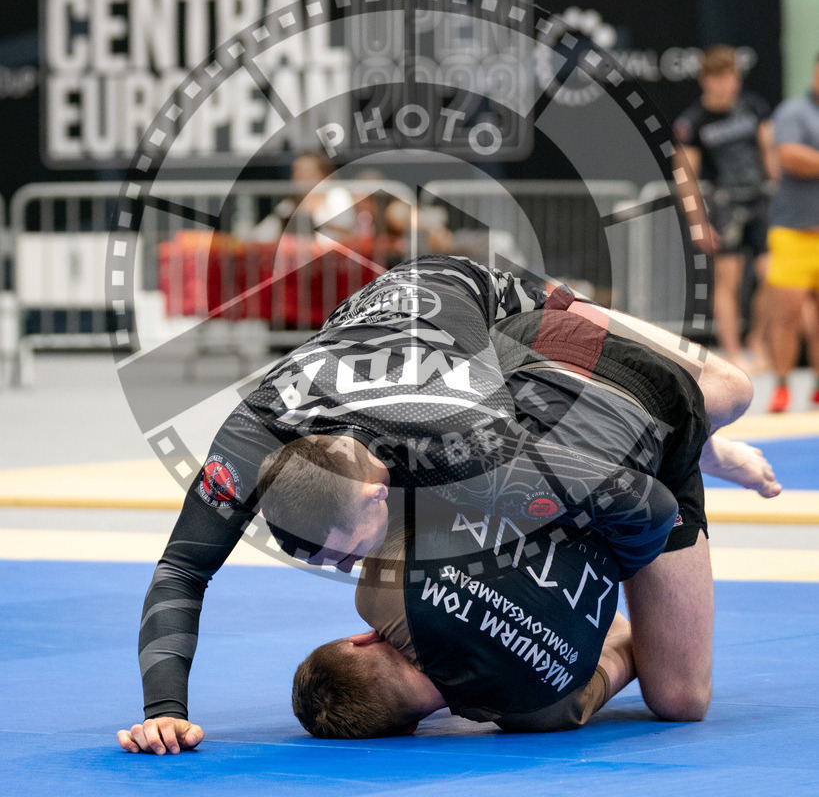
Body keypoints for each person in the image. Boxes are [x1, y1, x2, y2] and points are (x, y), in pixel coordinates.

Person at [118, 256, 776, 753]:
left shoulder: (467, 442)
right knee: (679, 697)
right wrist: (162, 708)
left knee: (729, 388)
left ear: (379, 493)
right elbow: (182, 569)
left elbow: (640, 501)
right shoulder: (250, 433)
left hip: (501, 309)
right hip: (403, 352)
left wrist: (612, 567)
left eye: (351, 553)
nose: (356, 570)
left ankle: (709, 440)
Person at [290, 304, 780, 738]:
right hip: (547, 359)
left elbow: (632, 636)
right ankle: (680, 426)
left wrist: (604, 571)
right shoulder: (379, 589)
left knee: (679, 698)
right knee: (732, 391)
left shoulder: (545, 711)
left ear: (415, 725)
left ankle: (689, 437)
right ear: (363, 637)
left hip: (590, 407)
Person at [674, 45, 776, 370]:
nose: (725, 84)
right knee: (727, 280)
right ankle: (733, 354)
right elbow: (684, 177)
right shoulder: (693, 122)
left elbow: (770, 155)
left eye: (730, 77)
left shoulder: (753, 108)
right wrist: (698, 221)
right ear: (705, 80)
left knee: (772, 276)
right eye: (717, 78)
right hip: (724, 206)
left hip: (759, 201)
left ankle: (756, 339)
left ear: (737, 78)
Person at [765, 54, 819, 412]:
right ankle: (782, 386)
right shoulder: (795, 111)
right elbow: (788, 157)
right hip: (793, 231)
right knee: (789, 313)